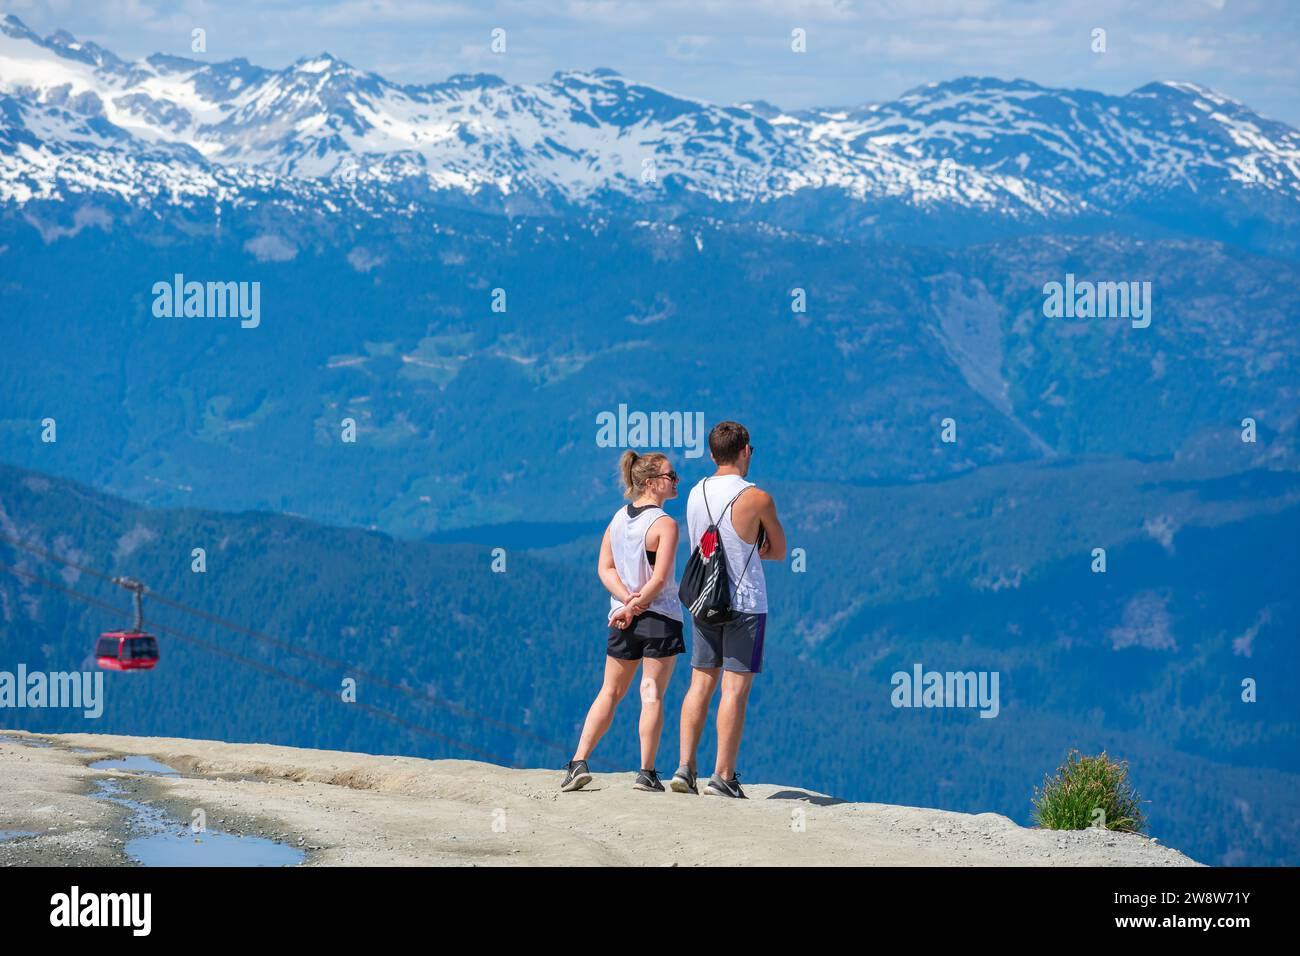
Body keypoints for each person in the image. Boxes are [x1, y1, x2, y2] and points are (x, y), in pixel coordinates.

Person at [671, 421, 785, 798]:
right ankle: (724, 775)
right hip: (745, 603)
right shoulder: (757, 498)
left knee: (700, 682)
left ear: (711, 454)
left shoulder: (694, 492)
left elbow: (701, 543)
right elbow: (779, 550)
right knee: (734, 690)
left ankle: (685, 768)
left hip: (704, 599)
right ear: (746, 450)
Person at [561, 451, 683, 793]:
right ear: (650, 482)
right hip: (659, 616)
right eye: (671, 476)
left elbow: (605, 568)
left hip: (620, 618)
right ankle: (646, 772)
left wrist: (626, 603)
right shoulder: (665, 524)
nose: (676, 482)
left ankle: (578, 761)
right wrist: (638, 604)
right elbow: (659, 580)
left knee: (610, 691)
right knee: (651, 692)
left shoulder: (617, 519)